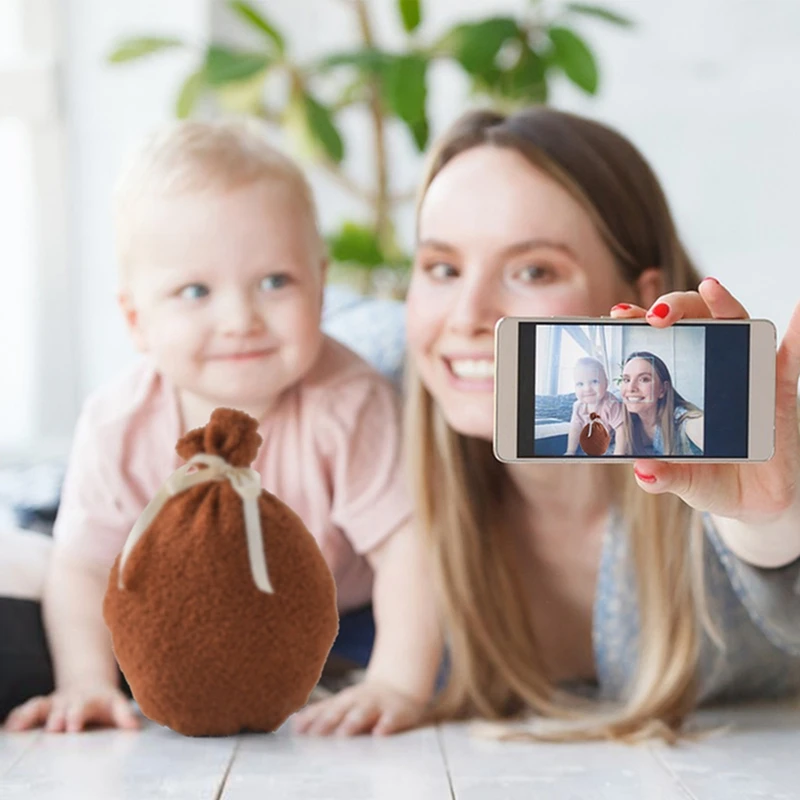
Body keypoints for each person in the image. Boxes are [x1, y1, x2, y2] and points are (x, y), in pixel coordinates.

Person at [300, 107, 800, 741]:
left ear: (639, 292)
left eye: (533, 270)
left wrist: (773, 521)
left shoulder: (712, 439)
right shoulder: (369, 381)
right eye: (442, 269)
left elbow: (778, 573)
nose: (466, 316)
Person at [3, 119, 439, 734]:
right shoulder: (119, 420)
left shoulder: (348, 403)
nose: (239, 319)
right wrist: (87, 682)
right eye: (194, 291)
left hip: (348, 615)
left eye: (274, 282)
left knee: (440, 659)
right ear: (137, 319)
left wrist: (397, 682)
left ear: (319, 288)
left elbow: (408, 552)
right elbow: (82, 567)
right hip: (181, 615)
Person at [617, 351, 703, 456]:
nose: (630, 388)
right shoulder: (618, 412)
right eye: (626, 380)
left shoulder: (685, 421)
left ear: (662, 389)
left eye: (644, 379)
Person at [564, 357, 623, 455]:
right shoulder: (578, 406)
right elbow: (575, 428)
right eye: (580, 384)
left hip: (610, 442)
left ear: (606, 384)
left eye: (594, 382)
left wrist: (618, 454)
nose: (587, 388)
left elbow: (621, 429)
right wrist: (570, 451)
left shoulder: (611, 404)